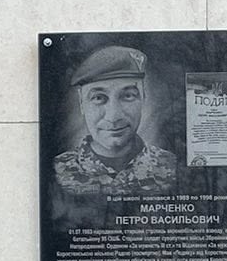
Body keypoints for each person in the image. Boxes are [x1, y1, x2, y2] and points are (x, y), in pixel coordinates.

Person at [53, 44, 180, 196]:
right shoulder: (57, 171)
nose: (113, 117)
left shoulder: (173, 167)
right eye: (98, 98)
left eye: (128, 96)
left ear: (143, 98)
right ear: (81, 103)